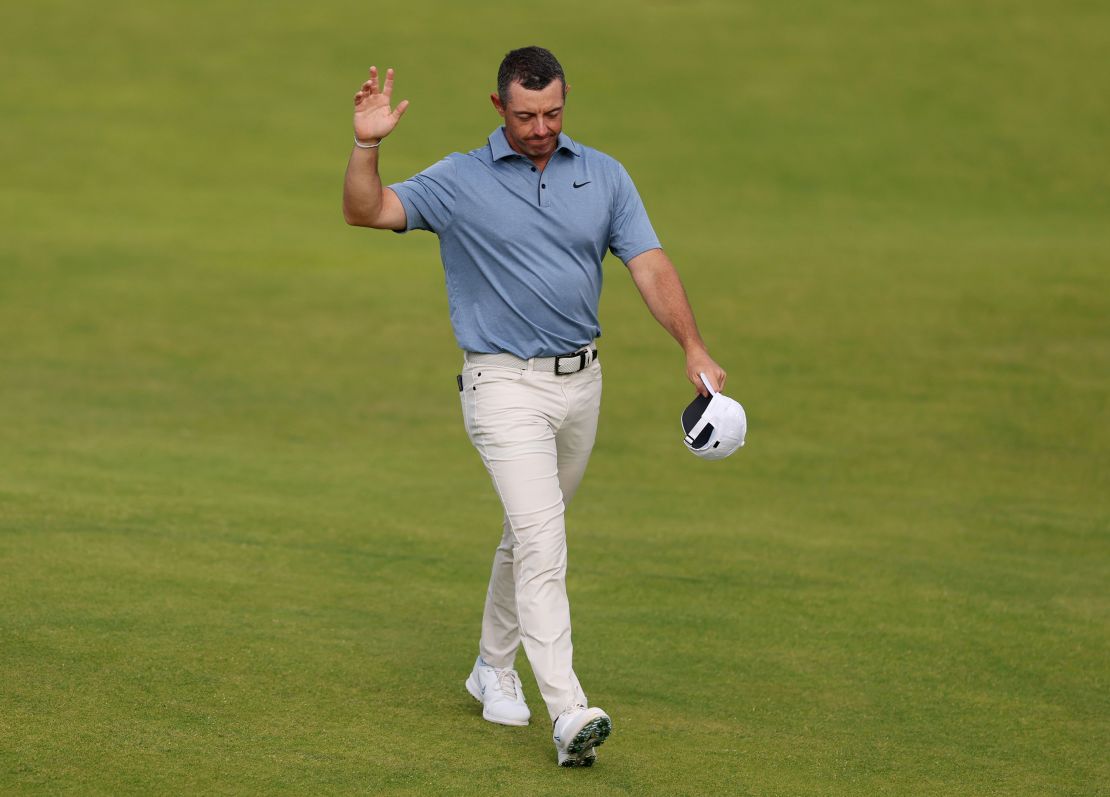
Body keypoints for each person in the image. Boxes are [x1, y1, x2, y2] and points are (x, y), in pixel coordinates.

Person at [343, 46, 726, 768]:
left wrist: (692, 346)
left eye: (552, 112)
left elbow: (648, 263)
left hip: (582, 384)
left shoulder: (603, 174)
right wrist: (367, 144)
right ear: (498, 108)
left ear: (565, 99)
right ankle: (569, 710)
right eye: (525, 116)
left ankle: (492, 663)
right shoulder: (459, 179)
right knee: (545, 547)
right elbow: (366, 211)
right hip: (501, 386)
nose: (541, 127)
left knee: (528, 536)